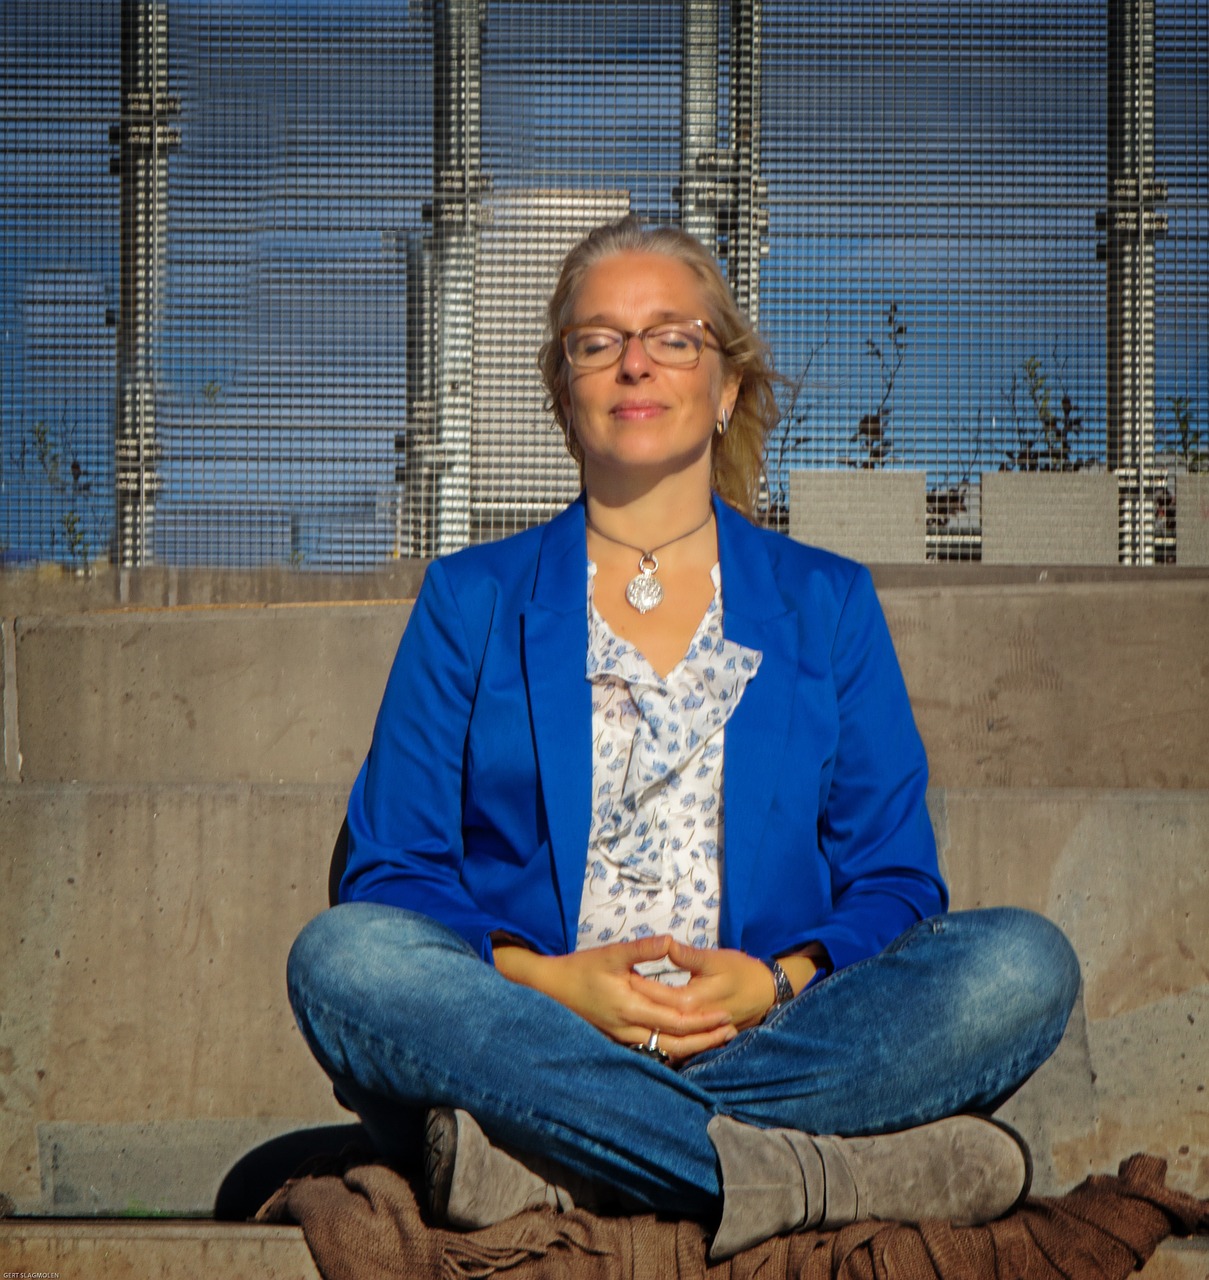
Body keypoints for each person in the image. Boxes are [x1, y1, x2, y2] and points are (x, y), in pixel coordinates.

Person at [287, 216, 1080, 1260]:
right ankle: (807, 1172)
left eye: (673, 336)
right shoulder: (469, 599)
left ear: (727, 387)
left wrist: (775, 981)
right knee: (341, 957)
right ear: (565, 388)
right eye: (596, 340)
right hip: (534, 1031)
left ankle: (557, 1155)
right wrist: (551, 981)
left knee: (1023, 964)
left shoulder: (826, 602)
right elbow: (392, 865)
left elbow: (895, 881)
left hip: (775, 1041)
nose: (633, 362)